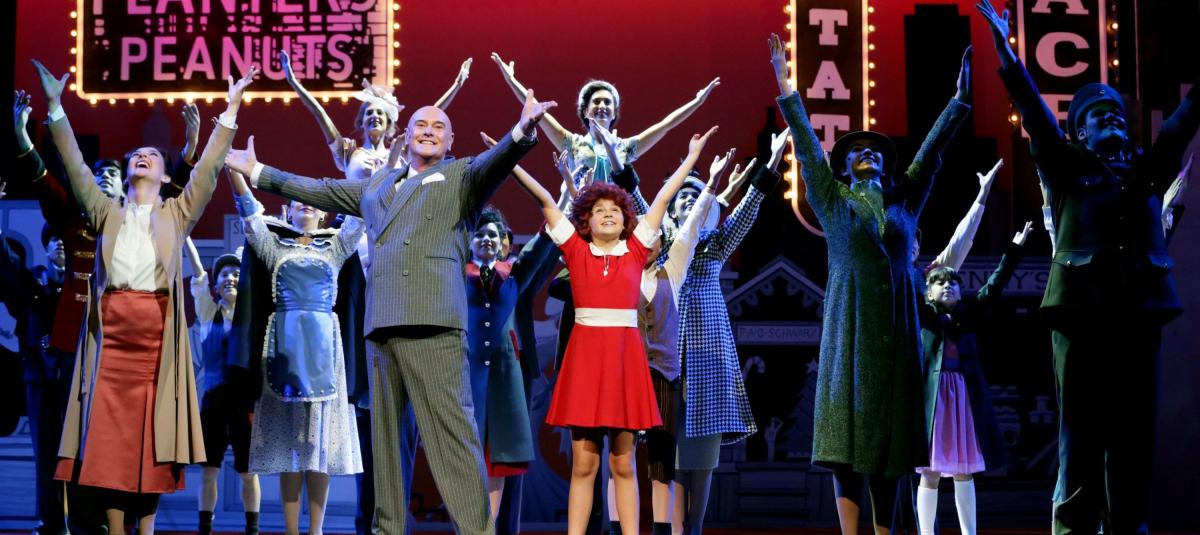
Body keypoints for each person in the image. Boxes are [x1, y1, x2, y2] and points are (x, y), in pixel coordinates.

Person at [224, 89, 556, 535]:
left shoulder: (460, 176)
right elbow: (320, 189)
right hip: (382, 325)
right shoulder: (377, 186)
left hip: (434, 322)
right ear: (408, 135)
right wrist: (258, 172)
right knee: (386, 448)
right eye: (421, 125)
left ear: (450, 141)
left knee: (453, 440)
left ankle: (477, 531)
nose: (428, 131)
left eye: (439, 127)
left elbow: (495, 160)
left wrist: (522, 130)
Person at [976, 3, 1200, 533]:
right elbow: (1034, 113)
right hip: (1081, 320)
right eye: (1099, 115)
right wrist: (1008, 54)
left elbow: (1181, 124)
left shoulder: (1146, 172)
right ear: (1079, 131)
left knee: (1133, 437)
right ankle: (1075, 528)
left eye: (1116, 112)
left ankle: (1128, 525)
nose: (1112, 118)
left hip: (1138, 316)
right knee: (1080, 435)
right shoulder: (1066, 166)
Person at [32, 59, 253, 535]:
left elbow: (208, 169)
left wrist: (231, 109)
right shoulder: (105, 211)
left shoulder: (176, 213)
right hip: (110, 344)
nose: (142, 157)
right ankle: (116, 530)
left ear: (163, 173)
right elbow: (74, 167)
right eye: (137, 155)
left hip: (156, 344)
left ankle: (146, 530)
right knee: (109, 443)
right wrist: (55, 107)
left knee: (153, 442)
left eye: (152, 155)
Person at [770, 34, 972, 535]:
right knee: (848, 444)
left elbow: (930, 155)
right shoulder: (833, 199)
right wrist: (787, 90)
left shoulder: (905, 203)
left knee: (891, 449)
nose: (869, 154)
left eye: (876, 151)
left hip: (898, 336)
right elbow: (808, 149)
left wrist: (959, 101)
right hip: (851, 333)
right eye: (858, 151)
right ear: (844, 166)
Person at [523, 121, 721, 535]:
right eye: (599, 210)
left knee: (623, 462)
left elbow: (663, 199)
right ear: (586, 220)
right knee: (584, 464)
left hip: (625, 361)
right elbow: (544, 200)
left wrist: (691, 158)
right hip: (585, 361)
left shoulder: (635, 251)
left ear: (626, 219)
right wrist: (511, 155)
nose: (609, 213)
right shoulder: (576, 250)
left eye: (615, 209)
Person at [225, 168, 364, 535]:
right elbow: (249, 214)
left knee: (318, 448)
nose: (305, 205)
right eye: (298, 201)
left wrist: (388, 162)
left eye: (313, 201)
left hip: (324, 353)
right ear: (287, 211)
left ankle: (315, 530)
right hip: (283, 350)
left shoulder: (335, 248)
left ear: (324, 212)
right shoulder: (274, 248)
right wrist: (233, 169)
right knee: (290, 448)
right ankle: (291, 530)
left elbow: (360, 213)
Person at [669, 129, 787, 535]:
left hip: (707, 357)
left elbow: (750, 207)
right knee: (669, 456)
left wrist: (771, 163)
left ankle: (695, 529)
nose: (689, 199)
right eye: (681, 196)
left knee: (702, 458)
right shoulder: (658, 245)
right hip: (667, 357)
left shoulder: (715, 243)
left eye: (695, 194)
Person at [916, 221, 1033, 535]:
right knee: (930, 471)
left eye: (953, 283)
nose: (948, 286)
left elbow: (995, 284)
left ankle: (969, 532)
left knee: (963, 470)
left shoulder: (969, 314)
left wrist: (1014, 249)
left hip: (962, 399)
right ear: (929, 291)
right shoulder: (924, 315)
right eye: (940, 282)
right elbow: (903, 286)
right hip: (933, 399)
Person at [491, 52, 719, 184]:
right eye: (596, 102)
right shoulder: (572, 143)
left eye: (608, 103)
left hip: (613, 222)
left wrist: (697, 101)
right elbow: (534, 109)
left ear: (614, 113)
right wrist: (512, 80)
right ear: (585, 111)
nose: (602, 106)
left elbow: (666, 125)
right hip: (580, 220)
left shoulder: (626, 147)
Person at [282, 50, 472, 178]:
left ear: (389, 124)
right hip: (355, 225)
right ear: (362, 122)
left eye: (380, 113)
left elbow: (431, 114)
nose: (375, 116)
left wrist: (457, 85)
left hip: (391, 224)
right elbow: (320, 113)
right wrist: (292, 81)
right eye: (369, 112)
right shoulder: (348, 152)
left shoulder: (401, 152)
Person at [189, 252, 261, 535]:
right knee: (209, 471)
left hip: (245, 406)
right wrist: (184, 235)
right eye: (224, 274)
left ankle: (252, 530)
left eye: (235, 274)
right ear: (216, 284)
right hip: (213, 407)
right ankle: (204, 528)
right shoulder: (209, 313)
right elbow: (198, 274)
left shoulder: (252, 317)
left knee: (248, 473)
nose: (230, 278)